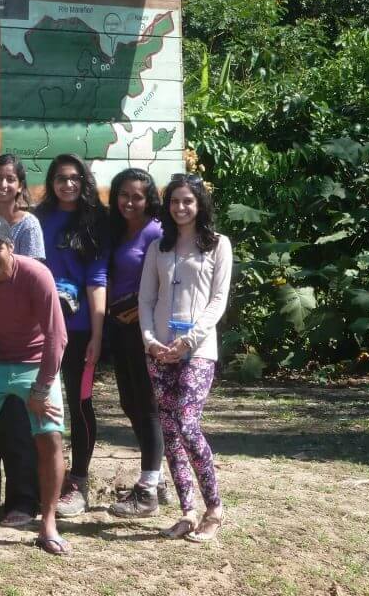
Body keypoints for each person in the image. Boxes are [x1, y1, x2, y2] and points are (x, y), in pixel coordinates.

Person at [0, 216, 71, 555]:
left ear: (12, 248)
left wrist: (40, 389)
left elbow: (57, 336)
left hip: (35, 363)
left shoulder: (36, 274)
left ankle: (48, 523)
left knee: (49, 436)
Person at [139, 174, 232, 542]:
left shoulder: (218, 245)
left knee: (188, 425)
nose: (181, 208)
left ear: (200, 205)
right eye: (175, 201)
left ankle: (214, 508)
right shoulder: (159, 248)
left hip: (198, 351)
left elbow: (217, 301)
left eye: (188, 202)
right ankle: (188, 512)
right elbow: (146, 299)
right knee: (170, 432)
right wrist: (149, 340)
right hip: (159, 351)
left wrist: (188, 341)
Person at [35, 154, 109, 517]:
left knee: (80, 405)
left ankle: (78, 483)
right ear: (51, 182)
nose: (68, 184)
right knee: (36, 403)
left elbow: (97, 281)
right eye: (61, 178)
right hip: (38, 330)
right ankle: (39, 482)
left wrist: (97, 334)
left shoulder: (94, 222)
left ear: (84, 182)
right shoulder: (37, 219)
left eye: (75, 178)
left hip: (79, 332)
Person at [0, 154, 45, 527]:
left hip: (23, 337)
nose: (3, 185)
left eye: (10, 179)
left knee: (21, 425)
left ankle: (23, 501)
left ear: (20, 185)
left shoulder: (29, 225)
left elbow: (33, 277)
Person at [104, 169, 171, 517]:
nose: (130, 202)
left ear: (149, 200)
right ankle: (157, 477)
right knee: (130, 404)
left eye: (138, 196)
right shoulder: (116, 231)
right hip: (119, 328)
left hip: (146, 330)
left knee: (148, 408)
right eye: (124, 195)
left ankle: (147, 492)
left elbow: (165, 283)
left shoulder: (157, 232)